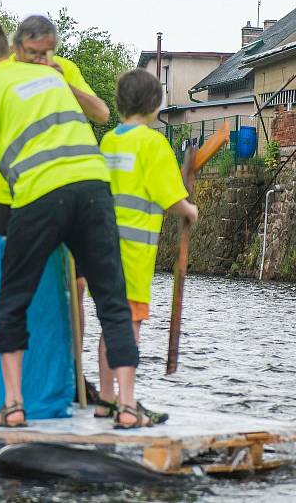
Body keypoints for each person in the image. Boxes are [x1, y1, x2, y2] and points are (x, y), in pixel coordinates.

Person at [0, 19, 149, 429]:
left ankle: (13, 405)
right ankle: (128, 407)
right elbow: (97, 113)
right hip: (93, 187)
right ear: (17, 50)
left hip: (38, 195)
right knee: (113, 304)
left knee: (11, 300)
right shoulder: (53, 79)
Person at [94, 69, 198, 421]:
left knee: (110, 323)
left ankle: (105, 398)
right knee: (129, 326)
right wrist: (191, 211)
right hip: (134, 255)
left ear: (119, 104)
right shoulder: (153, 144)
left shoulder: (108, 143)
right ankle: (127, 405)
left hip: (101, 250)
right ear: (156, 105)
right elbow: (171, 197)